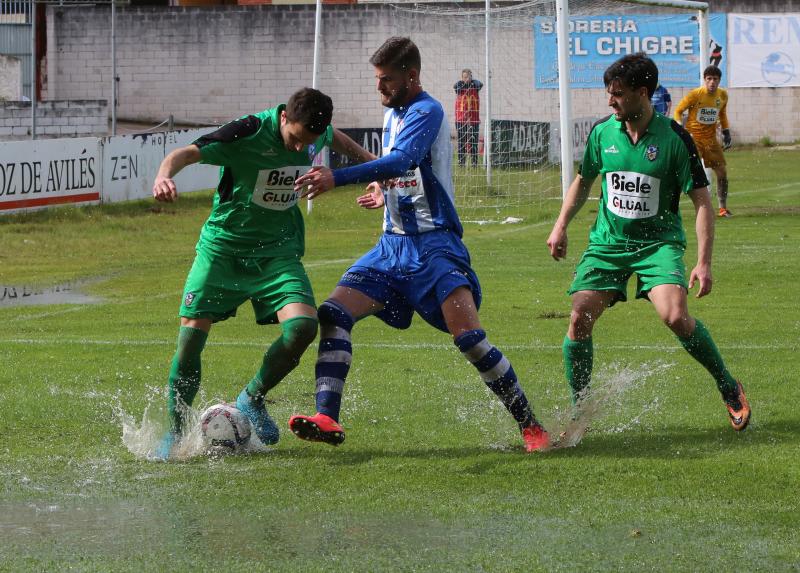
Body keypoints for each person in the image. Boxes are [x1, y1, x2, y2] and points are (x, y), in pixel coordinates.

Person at [290, 37, 550, 453]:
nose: (379, 88)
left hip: (435, 248)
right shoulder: (392, 115)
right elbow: (401, 174)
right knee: (334, 313)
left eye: (386, 79)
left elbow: (404, 160)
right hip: (391, 247)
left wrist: (337, 177)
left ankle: (530, 425)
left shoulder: (428, 109)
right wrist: (383, 191)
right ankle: (327, 414)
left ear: (411, 76)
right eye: (377, 79)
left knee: (469, 338)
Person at [151, 88, 373, 459]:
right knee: (190, 338)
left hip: (277, 252)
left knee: (303, 327)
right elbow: (185, 153)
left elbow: (339, 139)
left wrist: (372, 166)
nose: (298, 149)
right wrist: (163, 176)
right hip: (223, 249)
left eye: (308, 144)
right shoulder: (248, 131)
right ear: (284, 117)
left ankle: (251, 397)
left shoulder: (315, 131)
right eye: (295, 139)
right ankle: (174, 433)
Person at [546, 53, 750, 436]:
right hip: (609, 242)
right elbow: (583, 181)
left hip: (658, 244)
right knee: (579, 317)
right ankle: (580, 411)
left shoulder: (675, 140)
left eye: (618, 94)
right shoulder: (602, 132)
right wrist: (561, 227)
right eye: (609, 93)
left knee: (675, 316)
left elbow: (702, 201)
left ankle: (728, 386)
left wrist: (703, 263)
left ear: (643, 93)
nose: (610, 101)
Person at [673, 66, 733, 218]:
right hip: (693, 139)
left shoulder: (723, 95)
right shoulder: (695, 94)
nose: (712, 82)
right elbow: (678, 111)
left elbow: (723, 114)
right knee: (684, 173)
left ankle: (722, 208)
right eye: (709, 79)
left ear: (720, 80)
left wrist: (726, 132)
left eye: (715, 79)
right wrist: (680, 128)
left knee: (722, 173)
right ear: (705, 80)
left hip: (711, 140)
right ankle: (671, 206)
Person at [453, 69, 483, 167]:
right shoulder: (459, 87)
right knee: (462, 142)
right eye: (465, 77)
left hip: (474, 120)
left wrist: (472, 82)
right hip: (461, 119)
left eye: (469, 77)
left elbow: (480, 84)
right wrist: (463, 83)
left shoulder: (475, 87)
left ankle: (474, 164)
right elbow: (455, 86)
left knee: (473, 142)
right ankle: (461, 164)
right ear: (462, 78)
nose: (467, 79)